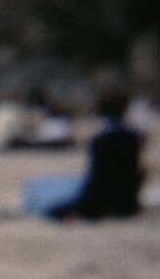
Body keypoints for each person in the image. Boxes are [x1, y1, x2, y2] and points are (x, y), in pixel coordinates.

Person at [46, 90, 145, 221]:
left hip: (102, 204)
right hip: (128, 203)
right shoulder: (133, 138)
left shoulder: (101, 141)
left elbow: (97, 177)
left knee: (53, 210)